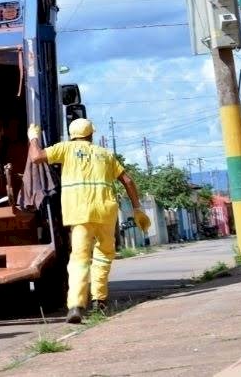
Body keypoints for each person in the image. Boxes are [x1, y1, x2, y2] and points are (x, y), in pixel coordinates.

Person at [27, 118, 151, 324]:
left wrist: (33, 138)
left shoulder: (65, 149)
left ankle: (76, 305)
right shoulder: (105, 154)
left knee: (79, 259)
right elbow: (128, 180)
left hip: (80, 213)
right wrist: (137, 208)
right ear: (91, 135)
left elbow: (36, 157)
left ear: (72, 134)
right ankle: (99, 300)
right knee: (104, 254)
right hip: (106, 212)